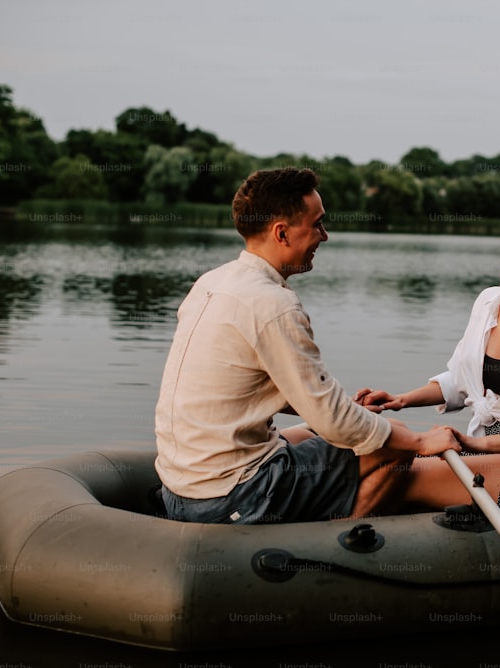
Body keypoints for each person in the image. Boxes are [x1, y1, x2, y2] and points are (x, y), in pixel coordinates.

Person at [155, 167, 459, 525]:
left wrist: (346, 409)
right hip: (229, 496)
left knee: (327, 431)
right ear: (281, 233)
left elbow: (251, 385)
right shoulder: (273, 304)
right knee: (395, 445)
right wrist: (422, 442)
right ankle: (336, 546)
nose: (324, 236)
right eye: (317, 224)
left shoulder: (212, 283)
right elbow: (334, 424)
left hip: (178, 491)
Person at [355, 209, 500, 510]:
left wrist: (474, 444)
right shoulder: (488, 301)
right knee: (384, 446)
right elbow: (461, 379)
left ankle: (338, 541)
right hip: (476, 454)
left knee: (395, 474)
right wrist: (400, 400)